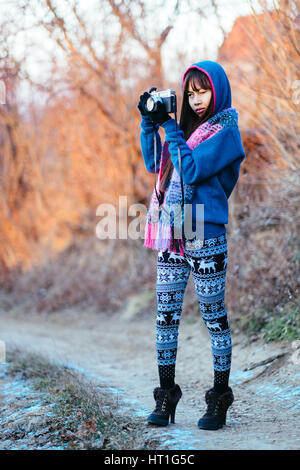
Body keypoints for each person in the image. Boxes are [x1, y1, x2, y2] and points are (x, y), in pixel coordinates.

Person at [137, 60, 246, 430]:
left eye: (203, 91)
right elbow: (156, 162)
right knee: (165, 316)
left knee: (214, 319)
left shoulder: (226, 133)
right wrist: (149, 123)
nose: (196, 99)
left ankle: (219, 398)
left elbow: (193, 170)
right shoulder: (183, 130)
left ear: (217, 90)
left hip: (206, 233)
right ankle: (166, 395)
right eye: (190, 93)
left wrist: (170, 127)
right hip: (172, 233)